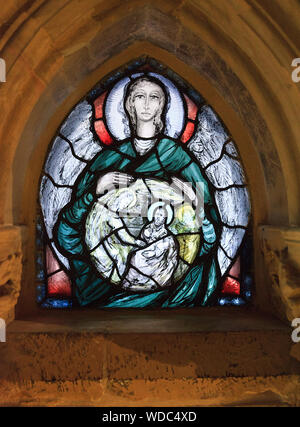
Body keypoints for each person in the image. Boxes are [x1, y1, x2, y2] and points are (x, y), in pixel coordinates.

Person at [54, 75, 221, 308]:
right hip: (107, 292)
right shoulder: (106, 161)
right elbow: (67, 236)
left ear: (163, 106)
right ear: (128, 104)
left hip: (173, 294)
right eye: (139, 97)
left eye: (154, 98)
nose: (146, 104)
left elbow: (208, 243)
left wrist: (196, 204)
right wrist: (96, 191)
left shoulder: (180, 159)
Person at [122, 205, 178, 292]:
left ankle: (138, 283)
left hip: (157, 260)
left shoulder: (166, 235)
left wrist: (154, 252)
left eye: (161, 215)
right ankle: (129, 282)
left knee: (138, 257)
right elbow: (142, 241)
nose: (157, 218)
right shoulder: (147, 228)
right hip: (145, 253)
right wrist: (140, 243)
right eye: (156, 214)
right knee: (134, 256)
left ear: (165, 218)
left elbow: (165, 249)